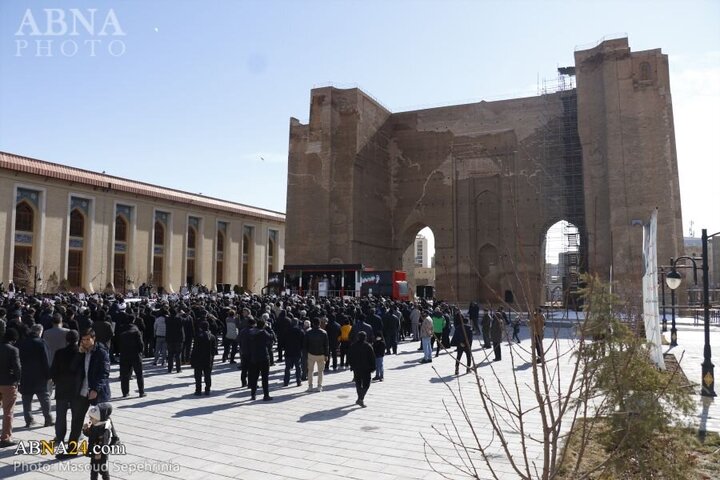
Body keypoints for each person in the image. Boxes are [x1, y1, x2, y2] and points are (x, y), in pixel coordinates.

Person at [51, 330, 82, 445]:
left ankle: (59, 437)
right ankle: (75, 437)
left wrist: (56, 381)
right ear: (78, 339)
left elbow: (53, 370)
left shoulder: (59, 352)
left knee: (60, 415)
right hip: (77, 388)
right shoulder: (81, 353)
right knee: (77, 415)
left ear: (66, 340)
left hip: (62, 386)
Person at [19, 324, 53, 428]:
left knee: (26, 399)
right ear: (40, 331)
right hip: (40, 375)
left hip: (25, 375)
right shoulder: (41, 343)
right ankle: (48, 419)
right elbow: (46, 360)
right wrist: (49, 375)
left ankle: (29, 420)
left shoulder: (22, 343)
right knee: (44, 398)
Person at [0, 329, 21, 447]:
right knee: (8, 411)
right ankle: (5, 437)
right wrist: (18, 380)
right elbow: (17, 367)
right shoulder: (13, 350)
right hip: (8, 384)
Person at [83, 403, 114, 480]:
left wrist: (99, 453)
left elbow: (103, 442)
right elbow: (90, 434)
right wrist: (85, 430)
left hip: (101, 454)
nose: (90, 419)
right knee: (93, 470)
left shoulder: (104, 429)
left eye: (91, 418)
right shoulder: (94, 425)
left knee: (102, 470)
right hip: (94, 451)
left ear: (98, 418)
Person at [117, 319, 145, 398]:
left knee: (124, 375)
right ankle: (141, 392)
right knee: (139, 374)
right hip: (135, 355)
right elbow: (141, 344)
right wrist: (141, 352)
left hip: (124, 355)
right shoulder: (136, 331)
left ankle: (125, 392)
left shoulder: (122, 331)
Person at [248, 318, 273, 401]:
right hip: (264, 356)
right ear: (263, 325)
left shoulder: (251, 332)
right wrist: (269, 328)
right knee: (264, 377)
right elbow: (272, 337)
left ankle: (253, 394)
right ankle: (266, 395)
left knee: (254, 377)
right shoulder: (263, 332)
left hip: (254, 356)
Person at [349, 331, 375, 407]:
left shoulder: (353, 346)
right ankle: (360, 399)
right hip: (366, 369)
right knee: (366, 384)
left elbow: (349, 357)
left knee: (358, 384)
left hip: (356, 368)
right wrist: (373, 367)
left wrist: (351, 366)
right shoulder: (368, 346)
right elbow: (372, 358)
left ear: (357, 337)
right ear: (365, 338)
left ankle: (360, 398)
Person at [304, 317, 329, 392]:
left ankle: (310, 386)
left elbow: (305, 344)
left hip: (311, 354)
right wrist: (326, 355)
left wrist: (306, 353)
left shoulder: (308, 332)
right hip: (321, 354)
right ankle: (319, 386)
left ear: (313, 323)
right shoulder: (324, 332)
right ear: (320, 323)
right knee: (320, 371)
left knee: (310, 371)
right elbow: (326, 345)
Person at [190, 321, 216, 396]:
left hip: (198, 358)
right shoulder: (212, 336)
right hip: (208, 359)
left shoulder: (198, 336)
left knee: (198, 375)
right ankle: (207, 389)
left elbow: (195, 349)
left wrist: (192, 359)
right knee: (207, 375)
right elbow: (214, 349)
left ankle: (198, 390)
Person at [283, 318, 304, 387]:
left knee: (287, 368)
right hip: (297, 351)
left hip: (288, 351)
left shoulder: (286, 330)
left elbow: (283, 341)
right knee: (298, 367)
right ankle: (298, 381)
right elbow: (303, 342)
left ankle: (286, 382)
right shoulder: (300, 331)